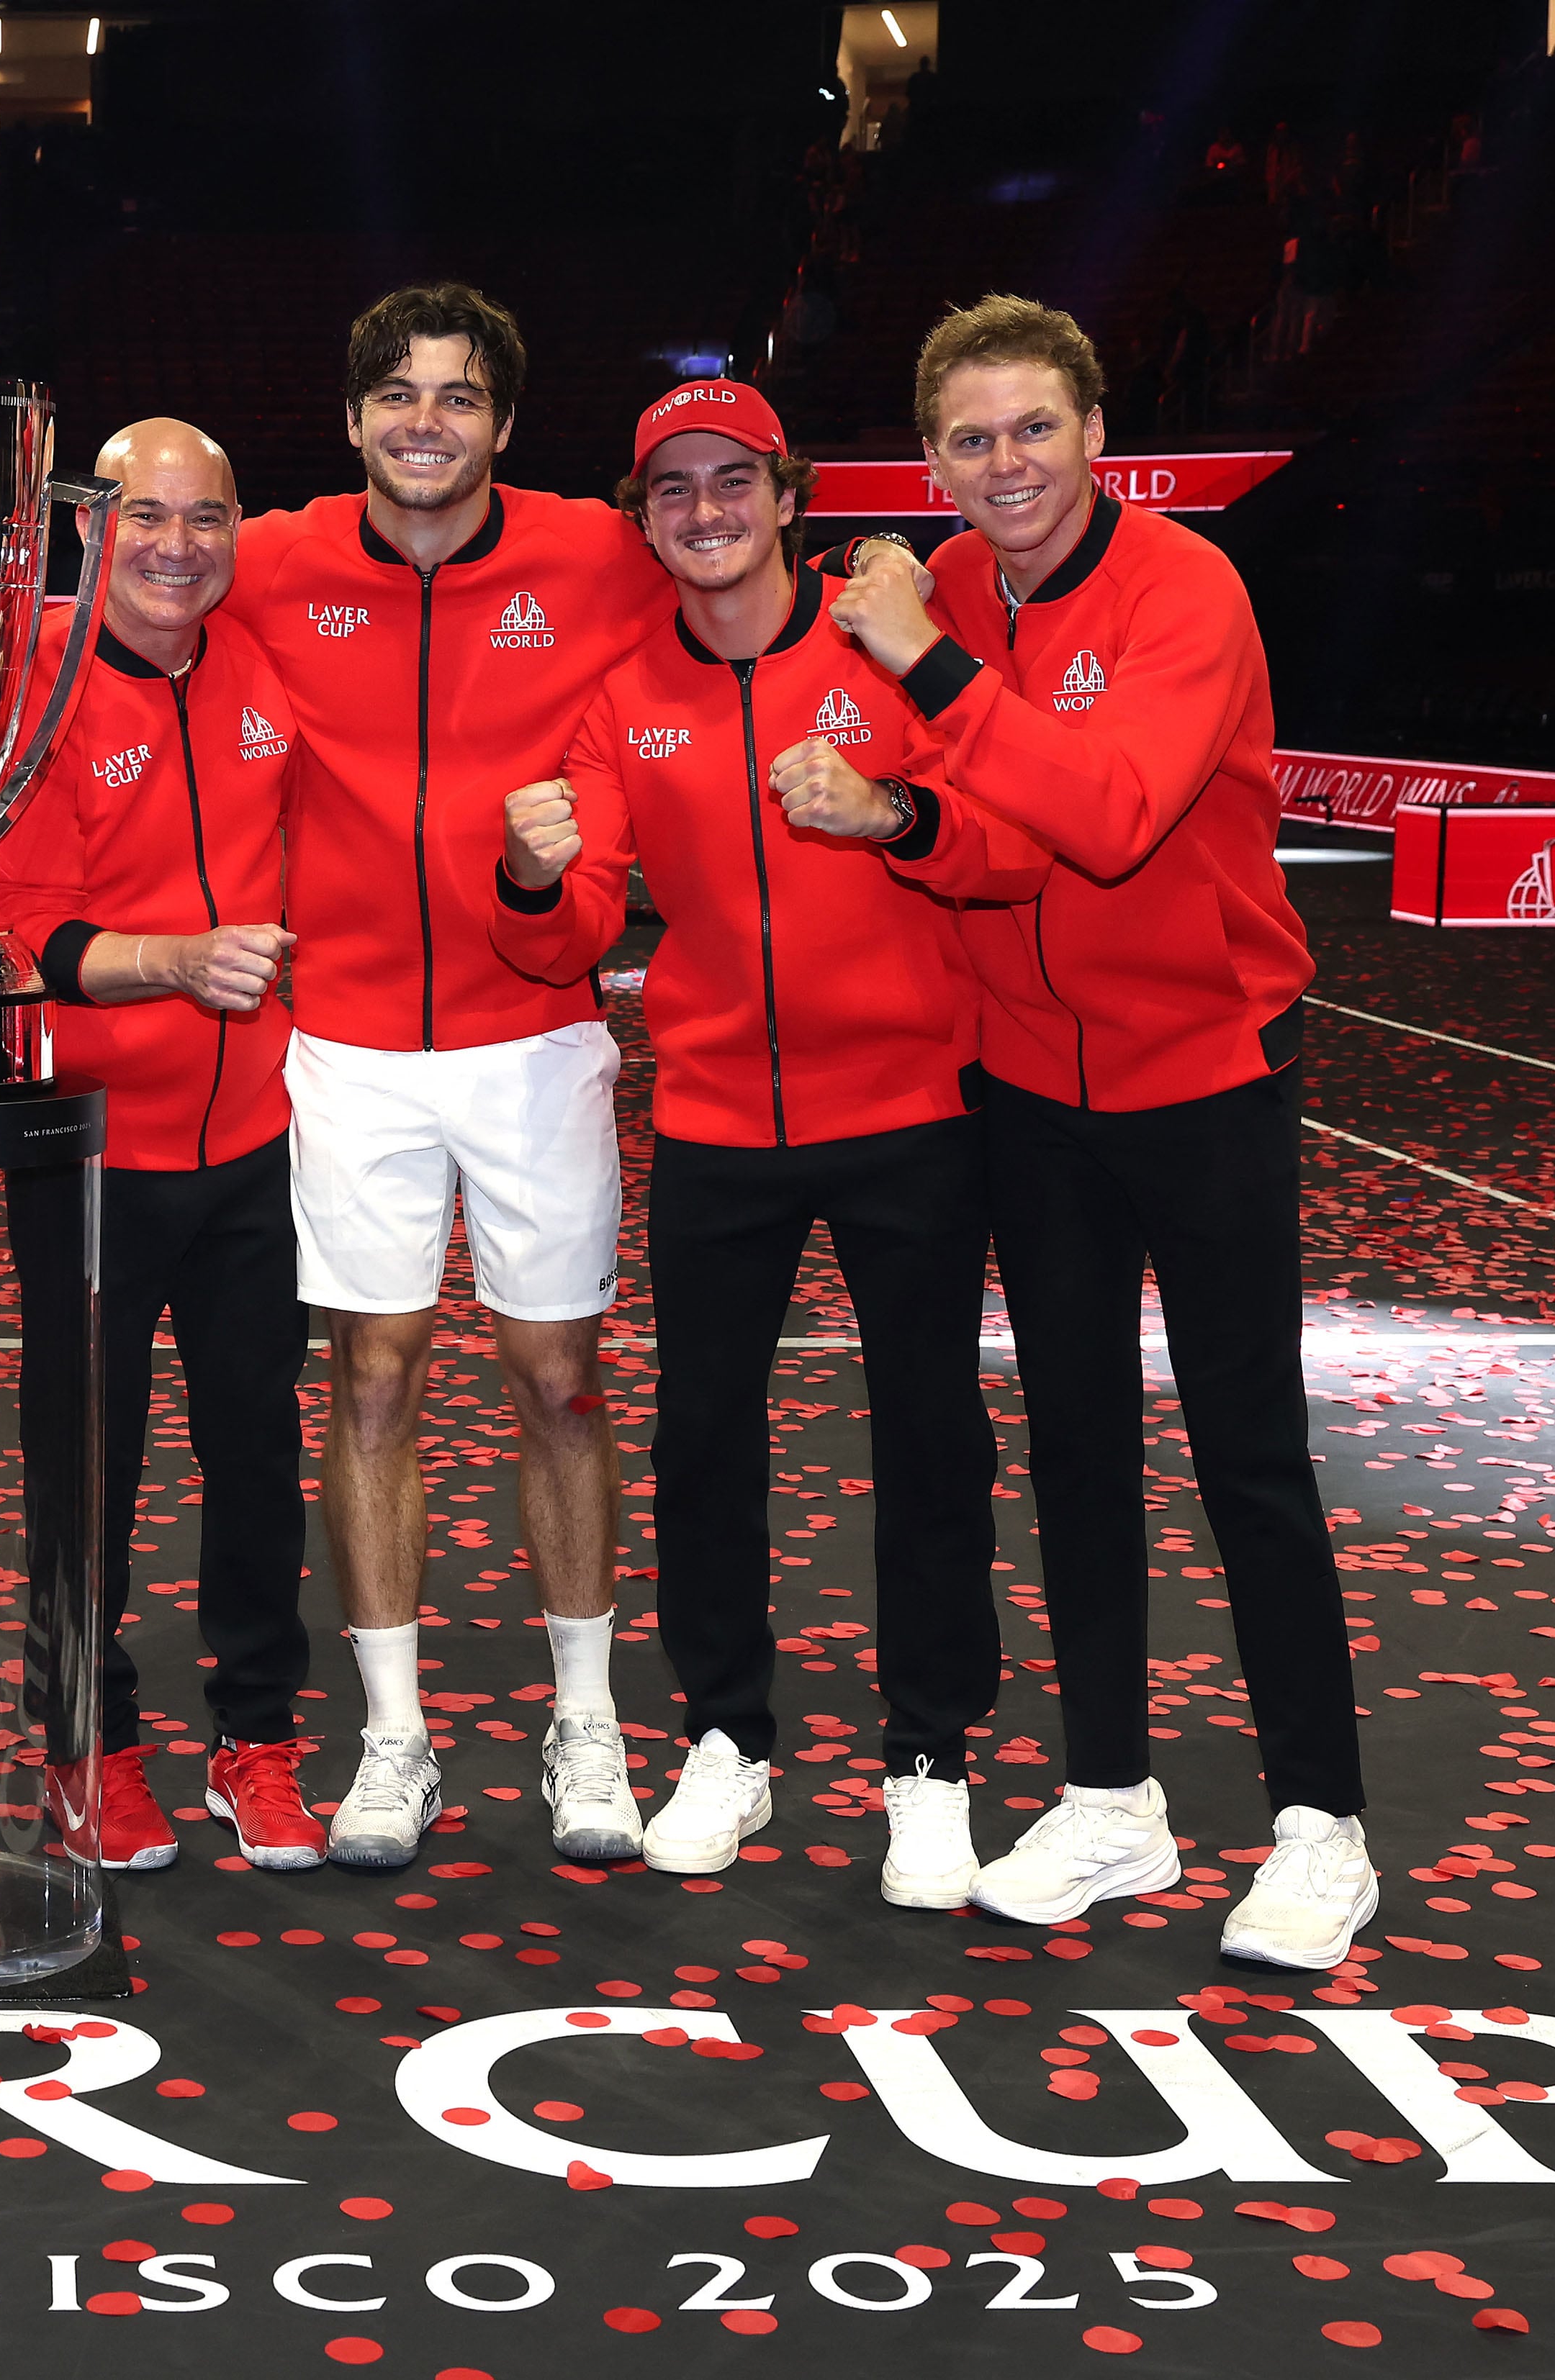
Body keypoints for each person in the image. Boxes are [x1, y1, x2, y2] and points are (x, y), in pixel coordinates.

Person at [827, 294, 1376, 1968]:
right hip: (1027, 1082)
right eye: (971, 440)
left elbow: (1115, 813)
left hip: (1200, 1063)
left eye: (1032, 429)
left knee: (1244, 1452)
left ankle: (1318, 1820)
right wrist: (903, 815)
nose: (1004, 465)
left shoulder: (1178, 588)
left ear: (1093, 433)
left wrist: (918, 661)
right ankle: (1111, 1796)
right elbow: (1002, 845)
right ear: (934, 458)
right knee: (1068, 1441)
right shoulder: (969, 598)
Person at [491, 380, 1046, 1906]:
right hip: (719, 1118)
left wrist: (892, 820)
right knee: (703, 1441)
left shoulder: (891, 643)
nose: (703, 510)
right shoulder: (615, 698)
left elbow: (1008, 851)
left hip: (911, 1112)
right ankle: (726, 1736)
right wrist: (529, 882)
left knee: (932, 1437)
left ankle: (927, 1758)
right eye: (669, 489)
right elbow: (572, 930)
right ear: (643, 519)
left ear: (786, 496)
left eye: (730, 479)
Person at [222, 283, 675, 1870]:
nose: (427, 421)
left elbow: (736, 584)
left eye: (458, 396)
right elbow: (108, 607)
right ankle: (394, 1740)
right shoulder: (265, 562)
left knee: (556, 1378)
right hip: (342, 1042)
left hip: (533, 1035)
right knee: (373, 1377)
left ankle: (585, 1726)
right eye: (396, 396)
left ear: (501, 421)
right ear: (349, 420)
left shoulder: (595, 555)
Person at [0, 419, 319, 1872]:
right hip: (93, 1152)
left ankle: (256, 1740)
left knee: (255, 1454)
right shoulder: (32, 692)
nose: (176, 546)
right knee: (85, 1469)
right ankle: (87, 1743)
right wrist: (175, 964)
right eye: (143, 518)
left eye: (205, 516)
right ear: (84, 531)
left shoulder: (265, 663)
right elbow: (23, 937)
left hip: (256, 1143)